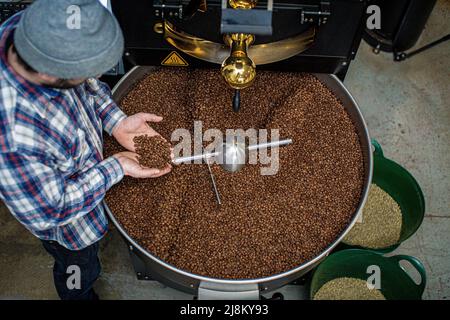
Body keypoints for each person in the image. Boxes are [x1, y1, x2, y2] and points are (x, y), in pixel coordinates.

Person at [0, 0, 171, 300]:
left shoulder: (31, 29)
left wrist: (117, 123)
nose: (95, 77)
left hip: (86, 175)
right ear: (53, 76)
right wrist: (117, 165)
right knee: (78, 269)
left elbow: (86, 84)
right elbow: (50, 210)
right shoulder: (13, 138)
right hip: (70, 230)